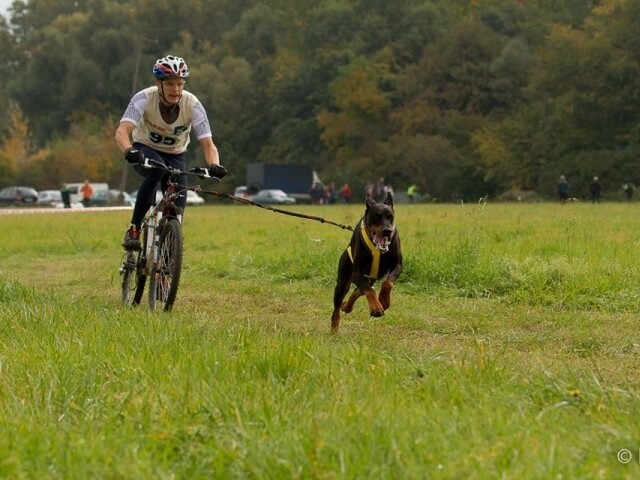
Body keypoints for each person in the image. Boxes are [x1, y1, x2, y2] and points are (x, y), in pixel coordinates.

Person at [115, 55, 227, 251]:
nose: (176, 89)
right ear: (159, 84)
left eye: (180, 84)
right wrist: (129, 150)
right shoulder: (144, 98)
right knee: (157, 171)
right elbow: (122, 131)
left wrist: (214, 165)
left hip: (176, 155)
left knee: (178, 206)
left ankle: (166, 260)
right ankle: (134, 229)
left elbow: (208, 144)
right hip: (144, 149)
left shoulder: (192, 105)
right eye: (170, 84)